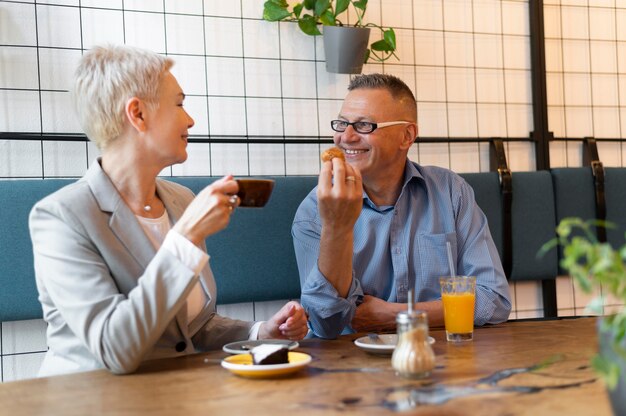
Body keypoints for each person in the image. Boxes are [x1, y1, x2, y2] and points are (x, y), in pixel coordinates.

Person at [29, 45, 308, 377]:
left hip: (176, 396)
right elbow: (115, 348)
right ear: (138, 114)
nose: (189, 119)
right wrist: (186, 237)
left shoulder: (180, 199)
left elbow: (187, 328)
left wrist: (260, 333)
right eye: (179, 103)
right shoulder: (61, 217)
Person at [292, 73, 511, 339]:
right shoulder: (315, 210)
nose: (345, 137)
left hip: (441, 358)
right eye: (341, 124)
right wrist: (336, 226)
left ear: (406, 136)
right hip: (350, 363)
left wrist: (396, 314)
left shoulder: (451, 192)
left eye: (364, 125)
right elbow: (326, 324)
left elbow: (494, 299)